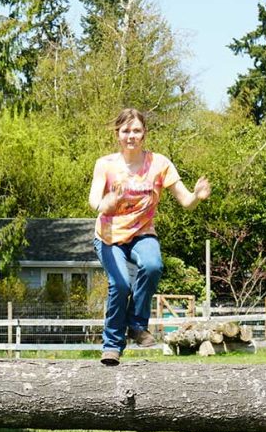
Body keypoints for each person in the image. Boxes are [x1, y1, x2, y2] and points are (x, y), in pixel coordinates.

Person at [88, 108, 211, 366]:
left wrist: (197, 197)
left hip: (142, 233)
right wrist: (106, 202)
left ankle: (136, 324)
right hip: (109, 236)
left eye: (136, 131)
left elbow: (185, 200)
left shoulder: (159, 164)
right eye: (126, 131)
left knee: (153, 265)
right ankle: (112, 345)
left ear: (144, 134)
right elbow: (94, 202)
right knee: (120, 284)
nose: (131, 136)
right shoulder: (105, 164)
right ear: (117, 134)